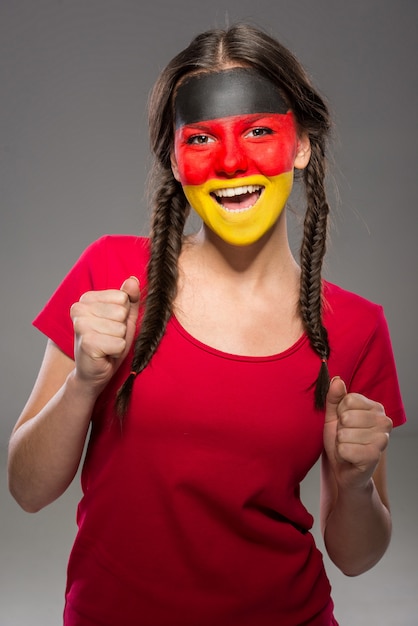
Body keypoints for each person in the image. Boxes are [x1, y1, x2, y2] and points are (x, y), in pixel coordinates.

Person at [8, 23, 406, 626]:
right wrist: (82, 384)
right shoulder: (111, 275)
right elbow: (27, 489)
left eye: (259, 132)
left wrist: (355, 485)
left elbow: (357, 557)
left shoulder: (357, 327)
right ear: (175, 157)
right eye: (200, 138)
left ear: (301, 146)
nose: (229, 162)